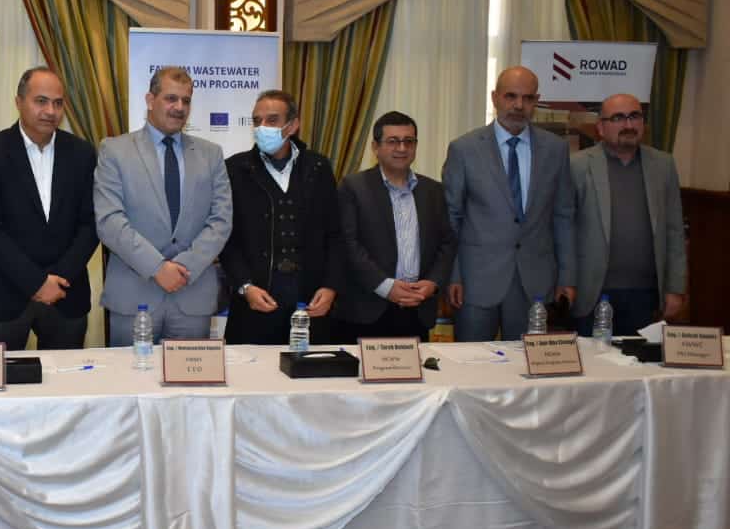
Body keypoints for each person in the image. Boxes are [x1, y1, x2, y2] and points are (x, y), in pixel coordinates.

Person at [95, 66, 232, 344]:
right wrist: (157, 267)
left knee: (191, 374)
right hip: (134, 296)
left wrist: (184, 267)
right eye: (171, 98)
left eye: (186, 100)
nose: (179, 107)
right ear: (150, 100)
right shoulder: (114, 151)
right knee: (131, 373)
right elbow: (110, 221)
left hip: (192, 293)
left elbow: (221, 220)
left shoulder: (211, 154)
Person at [443, 66, 576, 341]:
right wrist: (453, 275)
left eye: (527, 98)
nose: (518, 105)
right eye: (511, 96)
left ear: (536, 101)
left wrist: (567, 277)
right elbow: (451, 217)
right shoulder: (464, 149)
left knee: (526, 362)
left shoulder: (556, 149)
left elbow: (563, 216)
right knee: (471, 361)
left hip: (534, 281)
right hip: (475, 281)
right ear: (495, 98)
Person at [0, 67, 99, 350]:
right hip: (4, 293)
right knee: (1, 378)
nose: (50, 111)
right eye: (41, 101)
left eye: (58, 103)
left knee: (66, 378)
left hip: (66, 294)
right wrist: (37, 282)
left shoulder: (82, 153)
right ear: (18, 102)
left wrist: (58, 280)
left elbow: (91, 224)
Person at [221, 89, 344, 344]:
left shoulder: (318, 167)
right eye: (257, 121)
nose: (262, 127)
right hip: (255, 300)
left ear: (293, 125)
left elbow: (335, 235)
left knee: (311, 367)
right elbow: (225, 237)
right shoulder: (235, 169)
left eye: (272, 120)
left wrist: (331, 286)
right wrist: (245, 286)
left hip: (310, 300)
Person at [333, 111, 457, 341]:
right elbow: (348, 244)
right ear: (375, 147)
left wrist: (433, 283)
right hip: (367, 308)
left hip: (417, 307)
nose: (402, 148)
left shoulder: (433, 190)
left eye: (409, 141)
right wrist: (385, 286)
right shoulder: (353, 187)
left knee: (414, 365)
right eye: (393, 141)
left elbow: (447, 243)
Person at [570, 93, 686, 336]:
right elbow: (563, 230)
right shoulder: (577, 165)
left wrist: (676, 287)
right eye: (618, 118)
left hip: (646, 295)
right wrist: (565, 283)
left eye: (635, 116)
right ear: (601, 127)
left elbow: (674, 231)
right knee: (593, 360)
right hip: (592, 292)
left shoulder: (663, 165)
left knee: (639, 359)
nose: (628, 125)